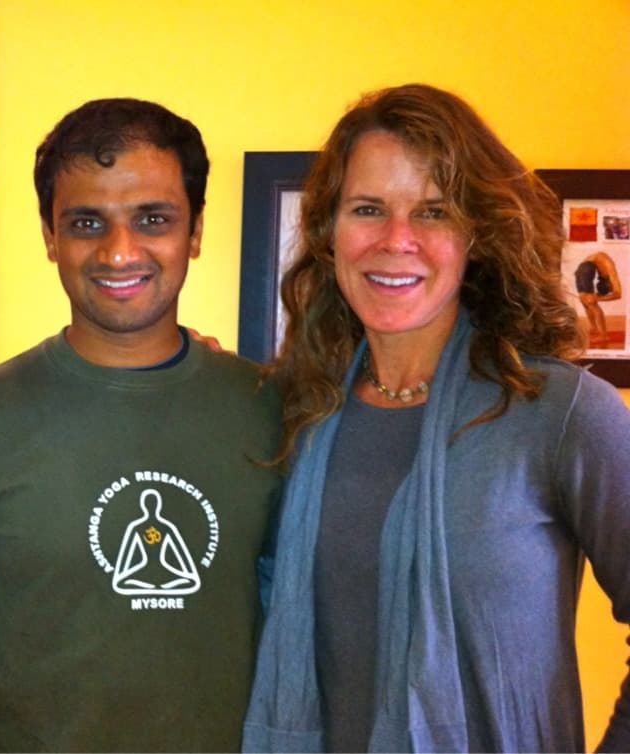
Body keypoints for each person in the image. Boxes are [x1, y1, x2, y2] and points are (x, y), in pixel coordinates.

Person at [242, 83, 630, 753]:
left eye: (433, 212)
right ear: (330, 234)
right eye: (368, 209)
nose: (397, 241)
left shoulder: (560, 413)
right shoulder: (299, 409)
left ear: (476, 234)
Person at [0, 97, 282, 752]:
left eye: (153, 219)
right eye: (86, 222)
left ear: (193, 231)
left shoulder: (271, 410)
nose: (119, 251)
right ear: (51, 237)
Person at [575, 250, 622, 348]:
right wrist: (597, 297)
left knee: (591, 302)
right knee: (583, 299)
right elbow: (615, 294)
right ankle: (594, 328)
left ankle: (603, 335)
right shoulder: (606, 268)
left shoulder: (612, 275)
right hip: (583, 267)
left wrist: (597, 298)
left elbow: (618, 294)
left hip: (585, 268)